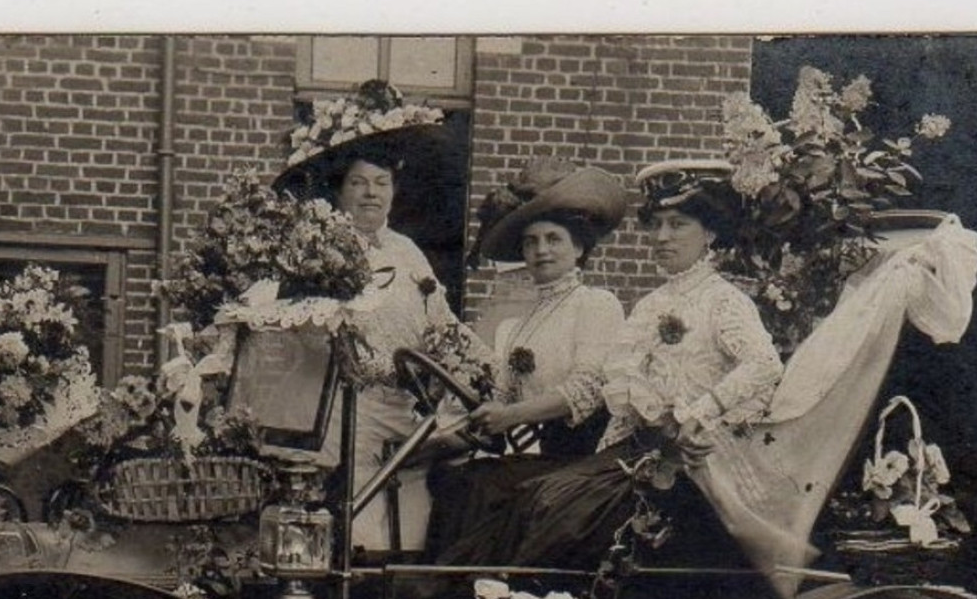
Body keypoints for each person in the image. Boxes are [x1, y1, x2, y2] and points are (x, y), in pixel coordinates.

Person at [438, 159, 785, 570]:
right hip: (634, 454)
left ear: (709, 232)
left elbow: (765, 364)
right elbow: (623, 402)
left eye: (677, 225)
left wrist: (700, 413)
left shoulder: (724, 300)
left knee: (550, 500)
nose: (661, 237)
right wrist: (599, 461)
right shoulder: (649, 306)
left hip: (692, 460)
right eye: (655, 224)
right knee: (530, 492)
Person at [274, 80, 461, 554]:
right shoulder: (318, 250)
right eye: (358, 183)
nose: (370, 195)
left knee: (424, 511)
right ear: (341, 190)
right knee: (355, 523)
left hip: (405, 410)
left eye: (381, 184)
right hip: (339, 407)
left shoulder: (408, 253)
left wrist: (472, 375)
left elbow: (440, 324)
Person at [424, 159, 629, 553]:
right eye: (531, 242)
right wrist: (441, 440)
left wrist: (509, 417)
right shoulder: (520, 324)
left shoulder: (596, 305)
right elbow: (500, 399)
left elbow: (587, 389)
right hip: (540, 459)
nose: (541, 250)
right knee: (452, 477)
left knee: (482, 486)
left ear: (579, 247)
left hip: (585, 461)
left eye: (553, 239)